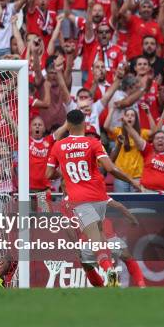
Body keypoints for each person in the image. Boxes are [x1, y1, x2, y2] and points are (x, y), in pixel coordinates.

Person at [46, 110, 141, 287]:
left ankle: (109, 272)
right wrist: (132, 181)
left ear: (68, 124)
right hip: (97, 198)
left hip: (79, 201)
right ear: (85, 123)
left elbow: (48, 174)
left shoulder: (58, 146)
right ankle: (116, 278)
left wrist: (65, 172)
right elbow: (110, 169)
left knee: (93, 246)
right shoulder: (93, 143)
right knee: (100, 242)